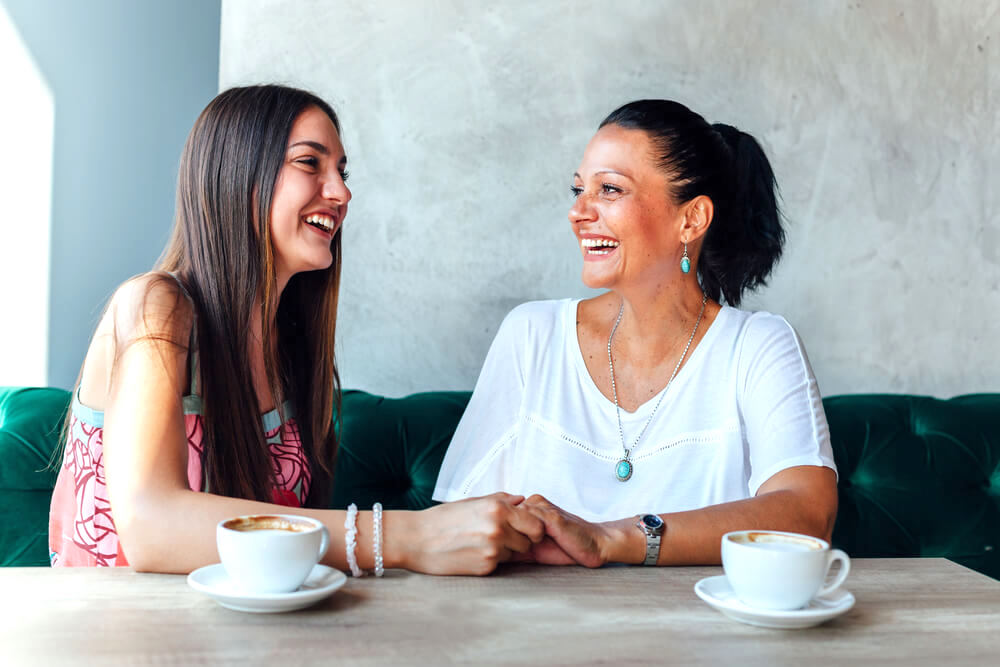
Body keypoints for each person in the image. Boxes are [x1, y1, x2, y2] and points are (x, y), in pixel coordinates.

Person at [49, 84, 546, 576]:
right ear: (238, 175)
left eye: (342, 171)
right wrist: (406, 537)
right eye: (311, 163)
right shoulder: (156, 306)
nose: (342, 192)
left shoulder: (288, 344)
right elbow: (150, 528)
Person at [433, 100, 838, 567]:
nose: (577, 211)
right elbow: (454, 527)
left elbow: (808, 516)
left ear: (691, 219)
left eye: (608, 189)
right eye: (577, 188)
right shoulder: (532, 336)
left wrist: (612, 538)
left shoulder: (760, 346)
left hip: (702, 636)